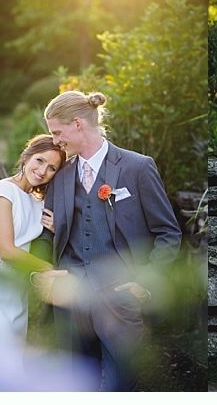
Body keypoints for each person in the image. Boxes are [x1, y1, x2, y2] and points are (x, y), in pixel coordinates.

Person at [40, 90, 181, 390]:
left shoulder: (137, 167)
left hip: (120, 301)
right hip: (70, 302)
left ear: (78, 123)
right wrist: (43, 273)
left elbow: (168, 233)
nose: (55, 141)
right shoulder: (61, 176)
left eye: (57, 132)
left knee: (120, 386)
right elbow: (46, 234)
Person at [0, 134, 69, 390]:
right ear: (27, 156)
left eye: (51, 167)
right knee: (2, 361)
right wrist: (48, 270)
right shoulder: (2, 190)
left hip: (15, 290)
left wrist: (55, 227)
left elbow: (37, 242)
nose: (42, 171)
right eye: (39, 160)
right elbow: (7, 249)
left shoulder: (37, 202)